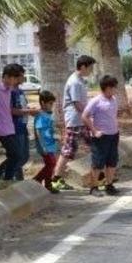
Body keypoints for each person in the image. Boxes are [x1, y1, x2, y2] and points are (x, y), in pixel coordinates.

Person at [51, 55, 96, 190]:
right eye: (90, 67)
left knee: (96, 146)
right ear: (83, 67)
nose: (92, 70)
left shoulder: (80, 80)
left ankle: (101, 176)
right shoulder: (75, 82)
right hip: (76, 121)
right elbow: (77, 104)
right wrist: (89, 116)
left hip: (80, 121)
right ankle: (56, 179)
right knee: (68, 151)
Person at [82, 75, 120, 197]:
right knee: (98, 162)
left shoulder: (113, 99)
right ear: (108, 88)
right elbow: (84, 116)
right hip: (101, 137)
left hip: (114, 135)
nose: (115, 90)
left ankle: (109, 185)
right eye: (114, 87)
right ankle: (94, 187)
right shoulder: (96, 101)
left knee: (112, 161)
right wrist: (94, 131)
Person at [0, 64, 24, 181]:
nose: (15, 81)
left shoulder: (9, 89)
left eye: (16, 78)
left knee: (15, 155)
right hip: (0, 128)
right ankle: (5, 178)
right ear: (5, 76)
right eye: (13, 78)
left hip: (9, 126)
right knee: (17, 155)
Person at [33, 91, 60, 193]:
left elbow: (48, 129)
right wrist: (42, 146)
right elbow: (38, 131)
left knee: (51, 164)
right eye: (50, 104)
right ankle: (37, 180)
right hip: (44, 145)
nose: (51, 106)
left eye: (52, 104)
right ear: (43, 103)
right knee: (51, 163)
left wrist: (55, 135)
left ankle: (48, 185)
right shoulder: (40, 115)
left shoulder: (47, 115)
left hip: (50, 144)